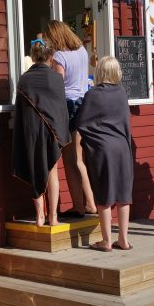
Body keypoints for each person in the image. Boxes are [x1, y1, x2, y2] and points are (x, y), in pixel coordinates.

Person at [76, 56, 133, 251]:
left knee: (104, 195)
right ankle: (123, 240)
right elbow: (126, 123)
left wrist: (90, 142)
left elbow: (82, 123)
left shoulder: (92, 95)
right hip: (122, 148)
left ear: (100, 72)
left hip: (103, 149)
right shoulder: (122, 93)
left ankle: (107, 241)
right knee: (124, 194)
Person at [12, 39, 70, 227]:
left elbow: (20, 111)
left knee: (35, 170)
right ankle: (53, 217)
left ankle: (39, 217)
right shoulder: (56, 79)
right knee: (52, 171)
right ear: (51, 57)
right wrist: (61, 134)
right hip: (52, 133)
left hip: (30, 131)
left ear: (34, 56)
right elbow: (61, 109)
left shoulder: (24, 79)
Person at [45, 19, 96, 217]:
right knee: (78, 158)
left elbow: (57, 86)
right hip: (83, 104)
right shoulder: (82, 51)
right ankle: (89, 203)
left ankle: (80, 206)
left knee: (70, 159)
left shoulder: (59, 56)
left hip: (67, 106)